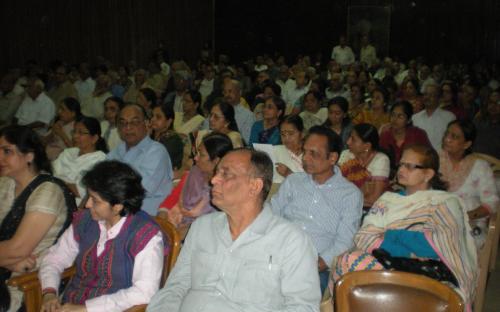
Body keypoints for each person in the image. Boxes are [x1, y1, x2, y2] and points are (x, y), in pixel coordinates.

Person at [147, 148, 321, 312]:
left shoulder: (291, 240)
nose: (213, 180)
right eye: (217, 173)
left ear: (254, 186)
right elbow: (176, 285)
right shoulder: (202, 227)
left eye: (226, 174)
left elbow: (303, 307)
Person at [333, 144, 478, 309]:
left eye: (409, 166)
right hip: (386, 264)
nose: (401, 169)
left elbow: (436, 247)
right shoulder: (387, 200)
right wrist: (407, 251)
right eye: (401, 164)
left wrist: (391, 234)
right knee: (345, 261)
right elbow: (364, 237)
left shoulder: (445, 203)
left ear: (428, 174)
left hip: (430, 274)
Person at [39, 161, 168, 312]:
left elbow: (145, 292)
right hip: (69, 305)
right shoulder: (85, 221)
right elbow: (55, 258)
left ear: (117, 206)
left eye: (95, 200)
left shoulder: (145, 235)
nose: (87, 204)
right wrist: (49, 292)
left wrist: (86, 308)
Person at [270, 126, 363, 294]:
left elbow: (345, 241)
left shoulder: (350, 195)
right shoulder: (293, 182)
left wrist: (315, 264)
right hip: (277, 254)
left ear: (333, 157)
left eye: (314, 154)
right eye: (305, 152)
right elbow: (271, 214)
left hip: (316, 266)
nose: (305, 158)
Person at [0, 125, 76, 312]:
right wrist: (8, 260)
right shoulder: (5, 183)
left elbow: (18, 249)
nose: (0, 158)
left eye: (7, 151)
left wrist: (13, 261)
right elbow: (13, 254)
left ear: (29, 156)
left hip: (24, 283)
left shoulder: (48, 190)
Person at [158, 133, 233, 236]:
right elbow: (169, 202)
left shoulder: (225, 191)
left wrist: (179, 234)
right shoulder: (195, 172)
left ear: (216, 161)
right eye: (197, 153)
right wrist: (163, 223)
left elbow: (212, 228)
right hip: (173, 225)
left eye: (201, 155)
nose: (195, 158)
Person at [440, 120, 499, 247]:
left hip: (469, 224)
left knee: (451, 244)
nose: (447, 139)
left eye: (454, 137)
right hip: (438, 221)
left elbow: (491, 202)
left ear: (466, 144)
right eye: (447, 134)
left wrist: (463, 217)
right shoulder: (435, 161)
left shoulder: (480, 167)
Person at [107, 104, 173, 215]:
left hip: (144, 217)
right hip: (115, 214)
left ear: (146, 124)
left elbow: (138, 189)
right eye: (123, 123)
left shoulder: (156, 151)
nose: (128, 128)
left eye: (134, 122)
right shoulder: (115, 152)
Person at [53, 117, 108, 205]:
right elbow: (52, 173)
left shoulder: (100, 160)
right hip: (53, 194)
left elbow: (79, 192)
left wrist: (58, 181)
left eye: (81, 133)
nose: (75, 136)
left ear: (94, 138)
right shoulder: (68, 153)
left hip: (74, 203)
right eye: (74, 131)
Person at [338, 123, 390, 208]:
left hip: (370, 209)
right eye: (349, 137)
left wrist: (344, 199)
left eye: (353, 139)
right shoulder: (346, 155)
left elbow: (374, 199)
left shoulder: (381, 160)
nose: (348, 142)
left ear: (367, 146)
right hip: (346, 204)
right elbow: (335, 185)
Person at [379, 100, 431, 176]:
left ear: (409, 120)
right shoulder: (385, 135)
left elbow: (429, 157)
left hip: (413, 175)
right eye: (393, 115)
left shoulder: (418, 134)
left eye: (400, 116)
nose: (395, 119)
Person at [412, 83, 455, 150]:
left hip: (441, 158)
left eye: (432, 95)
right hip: (419, 157)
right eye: (425, 94)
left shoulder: (449, 117)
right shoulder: (415, 118)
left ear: (439, 98)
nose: (427, 97)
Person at [151, 102, 186, 180]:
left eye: (158, 117)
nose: (153, 119)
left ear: (169, 121)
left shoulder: (173, 139)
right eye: (152, 116)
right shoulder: (151, 134)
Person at [274, 115, 305, 183]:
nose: (286, 138)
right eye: (283, 134)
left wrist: (289, 174)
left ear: (302, 133)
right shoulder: (275, 150)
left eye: (291, 133)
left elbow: (314, 186)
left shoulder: (311, 156)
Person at [223, 79, 255, 143]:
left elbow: (246, 141)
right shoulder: (218, 110)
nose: (227, 95)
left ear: (240, 92)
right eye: (225, 92)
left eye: (230, 91)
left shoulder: (248, 115)